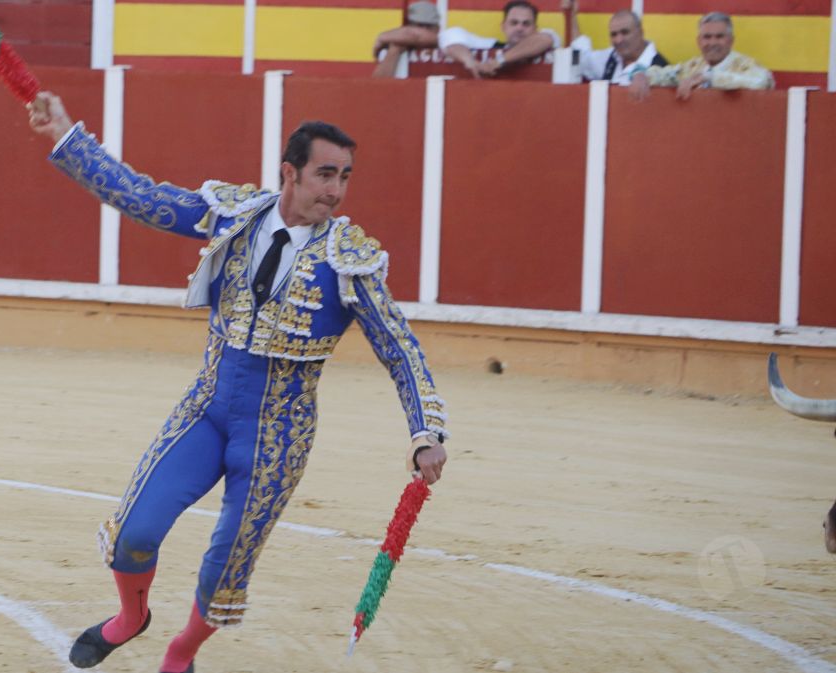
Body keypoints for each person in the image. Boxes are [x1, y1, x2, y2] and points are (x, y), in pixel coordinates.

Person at [27, 93, 450, 673]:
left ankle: (182, 652)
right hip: (208, 407)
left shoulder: (351, 260)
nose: (335, 190)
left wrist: (425, 431)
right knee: (134, 533)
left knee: (225, 567)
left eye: (345, 177)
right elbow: (143, 198)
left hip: (278, 432)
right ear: (289, 172)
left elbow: (399, 349)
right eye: (325, 174)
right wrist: (66, 138)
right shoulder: (235, 215)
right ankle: (130, 619)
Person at [630, 12, 773, 101]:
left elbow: (762, 81)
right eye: (707, 37)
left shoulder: (745, 64)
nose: (712, 42)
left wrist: (710, 77)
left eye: (719, 37)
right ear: (699, 42)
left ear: (730, 41)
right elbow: (666, 74)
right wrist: (641, 74)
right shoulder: (693, 66)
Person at [438, 0, 561, 79]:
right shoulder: (491, 44)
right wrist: (469, 61)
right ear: (503, 26)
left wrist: (499, 61)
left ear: (535, 29)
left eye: (526, 24)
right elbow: (450, 36)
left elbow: (546, 38)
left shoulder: (546, 38)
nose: (519, 28)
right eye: (514, 23)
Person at [563, 0, 667, 85]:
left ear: (640, 33)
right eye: (614, 34)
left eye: (625, 32)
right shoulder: (611, 57)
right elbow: (581, 56)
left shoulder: (662, 70)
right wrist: (571, 16)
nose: (619, 40)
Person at [371, 1, 442, 79]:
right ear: (407, 26)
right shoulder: (393, 48)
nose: (424, 31)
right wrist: (394, 50)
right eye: (420, 25)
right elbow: (379, 84)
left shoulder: (448, 46)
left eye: (429, 26)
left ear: (438, 28)